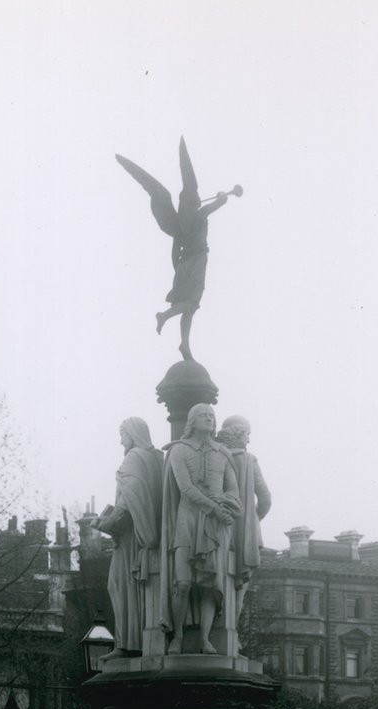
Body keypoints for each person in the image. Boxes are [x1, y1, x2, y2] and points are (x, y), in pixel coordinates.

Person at [115, 139, 235, 360]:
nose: (198, 198)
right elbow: (220, 202)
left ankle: (185, 344)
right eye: (196, 196)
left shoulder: (179, 227)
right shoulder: (199, 214)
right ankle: (165, 315)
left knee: (188, 307)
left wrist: (178, 269)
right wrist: (223, 195)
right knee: (191, 304)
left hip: (184, 264)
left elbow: (173, 251)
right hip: (197, 260)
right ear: (192, 201)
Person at [159, 403, 241, 654]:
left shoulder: (223, 453)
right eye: (203, 415)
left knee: (210, 585)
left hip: (215, 526)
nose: (209, 419)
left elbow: (233, 490)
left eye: (211, 416)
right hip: (188, 519)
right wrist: (215, 508)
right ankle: (178, 636)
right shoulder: (179, 450)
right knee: (182, 582)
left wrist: (225, 503)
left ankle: (205, 639)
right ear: (192, 421)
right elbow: (185, 488)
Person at [94, 417, 163, 656]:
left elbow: (128, 503)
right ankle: (133, 642)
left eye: (122, 434)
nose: (120, 439)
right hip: (145, 535)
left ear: (132, 434)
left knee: (120, 587)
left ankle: (126, 644)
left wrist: (106, 524)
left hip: (130, 538)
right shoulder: (156, 459)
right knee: (133, 590)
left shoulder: (133, 458)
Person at [216, 415, 272, 619]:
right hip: (246, 531)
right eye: (247, 434)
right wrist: (253, 518)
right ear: (238, 433)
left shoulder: (214, 456)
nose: (248, 440)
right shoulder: (249, 460)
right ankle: (231, 635)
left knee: (218, 580)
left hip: (220, 527)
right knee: (240, 588)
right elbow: (265, 497)